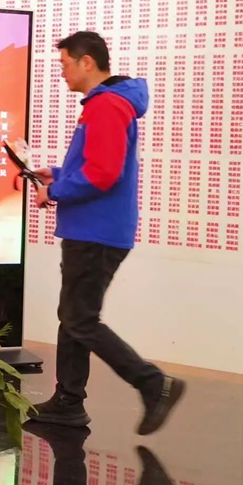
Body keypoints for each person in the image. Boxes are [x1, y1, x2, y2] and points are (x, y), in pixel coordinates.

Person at [30, 31, 184, 435]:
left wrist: (54, 192)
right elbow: (98, 166)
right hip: (93, 228)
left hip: (95, 231)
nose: (62, 72)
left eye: (65, 64)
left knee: (79, 319)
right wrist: (58, 174)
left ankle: (152, 382)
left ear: (87, 62)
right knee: (74, 316)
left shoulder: (107, 105)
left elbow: (102, 174)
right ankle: (68, 401)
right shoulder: (107, 104)